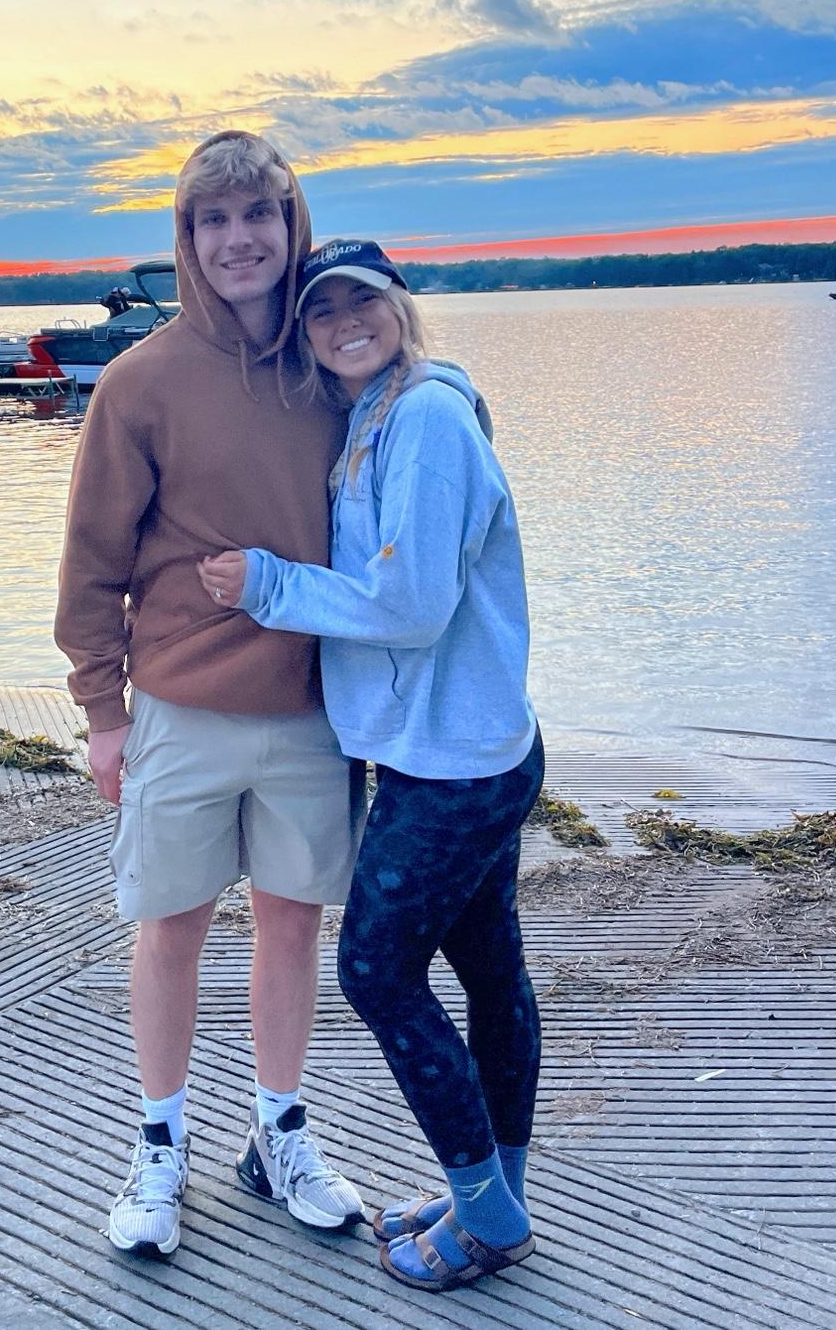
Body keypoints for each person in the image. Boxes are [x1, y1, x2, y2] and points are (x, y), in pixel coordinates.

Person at [199, 238, 543, 1292]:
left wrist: (269, 585)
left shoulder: (427, 416)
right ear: (305, 332)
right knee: (488, 968)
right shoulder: (376, 414)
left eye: (363, 300)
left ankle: (490, 1217)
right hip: (465, 746)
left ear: (400, 304)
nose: (344, 321)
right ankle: (496, 1193)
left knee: (377, 970)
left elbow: (412, 605)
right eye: (321, 310)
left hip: (454, 763)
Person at [55, 132, 365, 1260]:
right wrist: (103, 714)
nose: (240, 240)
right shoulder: (140, 382)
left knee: (292, 924)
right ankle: (159, 1143)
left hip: (313, 708)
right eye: (214, 220)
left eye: (259, 215)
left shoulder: (333, 366)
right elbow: (92, 562)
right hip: (180, 706)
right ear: (187, 239)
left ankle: (280, 1132)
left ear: (292, 225)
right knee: (171, 927)